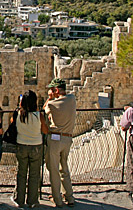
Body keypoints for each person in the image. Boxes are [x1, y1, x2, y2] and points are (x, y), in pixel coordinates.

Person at [43, 78, 76, 208]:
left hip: (55, 139)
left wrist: (50, 98)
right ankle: (69, 196)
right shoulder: (72, 99)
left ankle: (57, 199)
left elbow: (45, 109)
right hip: (68, 139)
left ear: (56, 90)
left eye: (51, 90)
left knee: (54, 170)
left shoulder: (52, 104)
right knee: (64, 168)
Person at [11, 90, 44, 208]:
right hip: (36, 145)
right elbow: (44, 130)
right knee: (34, 174)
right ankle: (32, 200)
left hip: (21, 145)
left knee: (21, 173)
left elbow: (13, 125)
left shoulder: (18, 114)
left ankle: (19, 199)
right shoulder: (38, 115)